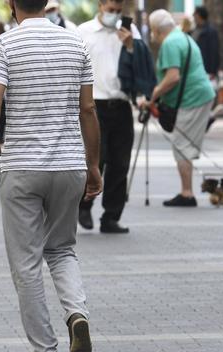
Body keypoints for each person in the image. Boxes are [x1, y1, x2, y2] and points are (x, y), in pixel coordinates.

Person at [0, 0, 102, 352]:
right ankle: (76, 314)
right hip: (70, 164)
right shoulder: (75, 43)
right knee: (62, 248)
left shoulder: (4, 45)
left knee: (26, 261)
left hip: (22, 167)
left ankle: (45, 351)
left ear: (11, 4)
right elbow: (88, 109)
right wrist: (93, 165)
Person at [76, 0, 151, 233]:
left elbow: (141, 66)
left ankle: (111, 216)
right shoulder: (83, 32)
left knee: (120, 163)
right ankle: (84, 205)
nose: (115, 15)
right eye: (111, 10)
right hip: (93, 105)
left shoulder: (130, 31)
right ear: (100, 6)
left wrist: (130, 45)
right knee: (96, 159)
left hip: (120, 104)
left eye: (119, 11)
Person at [142, 9, 215, 207]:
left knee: (181, 145)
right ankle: (187, 190)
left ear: (156, 30)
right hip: (199, 96)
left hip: (192, 99)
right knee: (184, 144)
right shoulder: (184, 37)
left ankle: (187, 193)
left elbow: (173, 77)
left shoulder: (170, 43)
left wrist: (153, 96)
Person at [192, 6, 220, 79]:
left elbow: (214, 51)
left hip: (205, 68)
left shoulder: (211, 32)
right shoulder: (194, 30)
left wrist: (212, 71)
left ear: (199, 15)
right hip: (194, 67)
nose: (193, 16)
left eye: (195, 14)